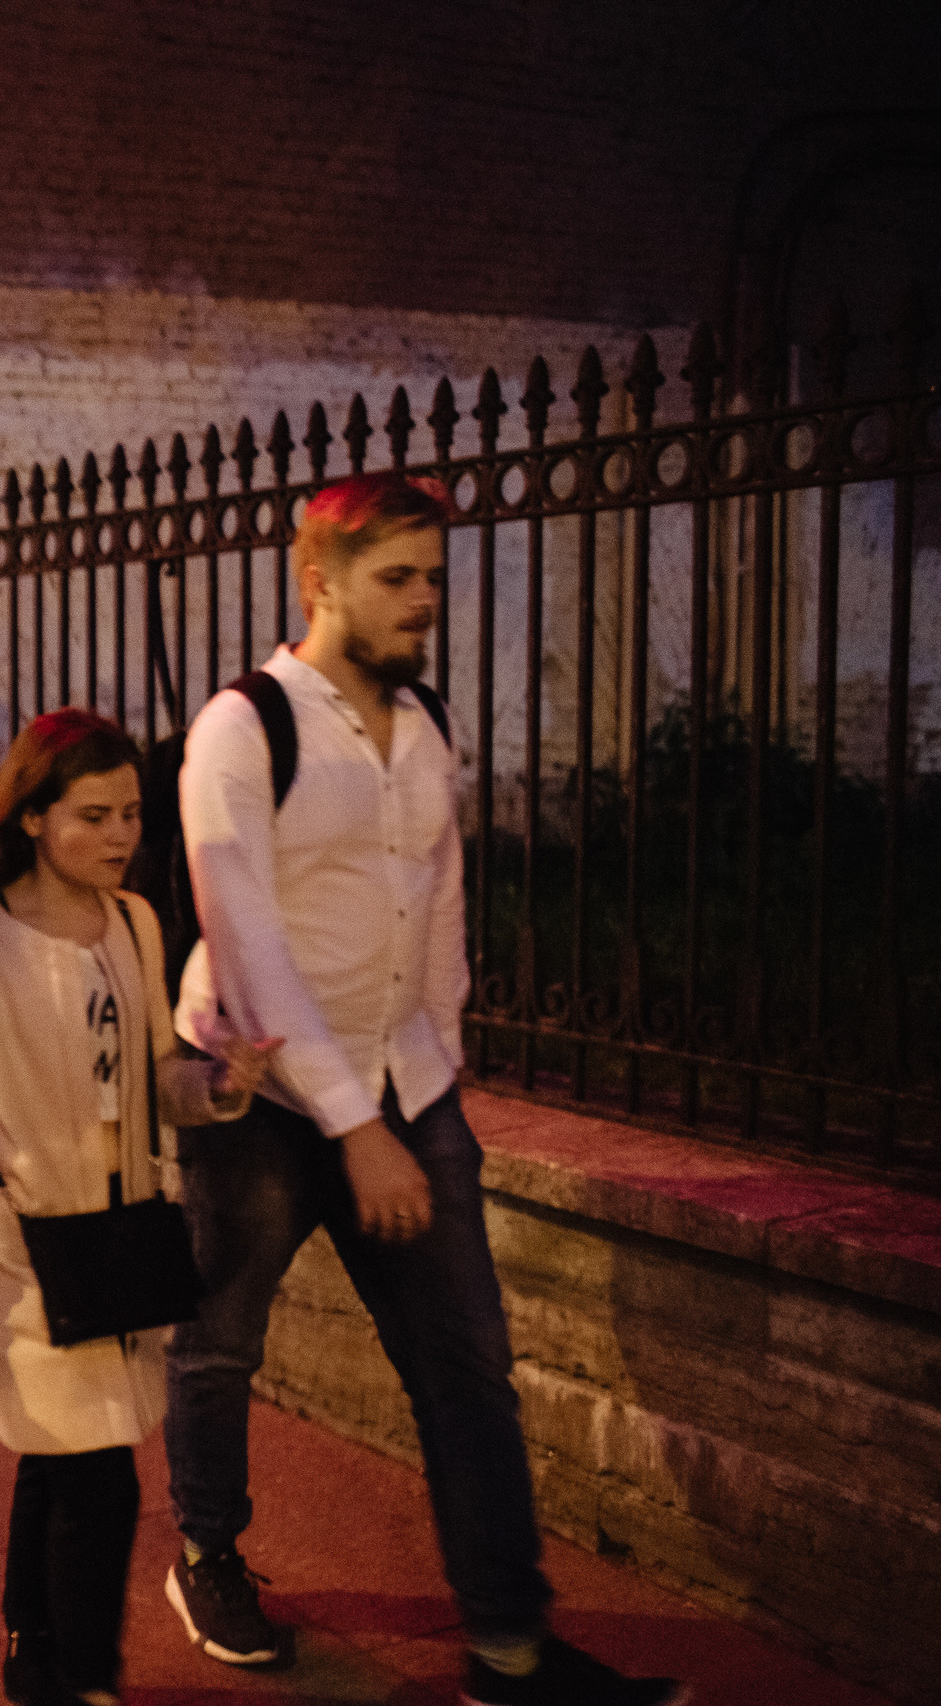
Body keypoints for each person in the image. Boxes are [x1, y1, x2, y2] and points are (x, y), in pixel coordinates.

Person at [161, 472, 684, 1705]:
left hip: (405, 1087)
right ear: (319, 582)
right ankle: (208, 1551)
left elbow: (437, 898)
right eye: (396, 577)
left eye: (432, 578)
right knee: (219, 1342)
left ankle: (508, 1646)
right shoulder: (242, 726)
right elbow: (247, 941)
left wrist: (434, 1066)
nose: (423, 600)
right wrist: (357, 1126)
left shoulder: (426, 717)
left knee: (467, 1368)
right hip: (261, 1100)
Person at [0, 708, 276, 1706]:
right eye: (95, 814)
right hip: (23, 1256)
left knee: (57, 1460)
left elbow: (157, 1075)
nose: (123, 835)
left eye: (132, 813)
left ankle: (33, 1659)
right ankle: (86, 1680)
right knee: (101, 1482)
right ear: (32, 816)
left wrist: (219, 1082)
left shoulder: (133, 923)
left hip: (122, 1247)